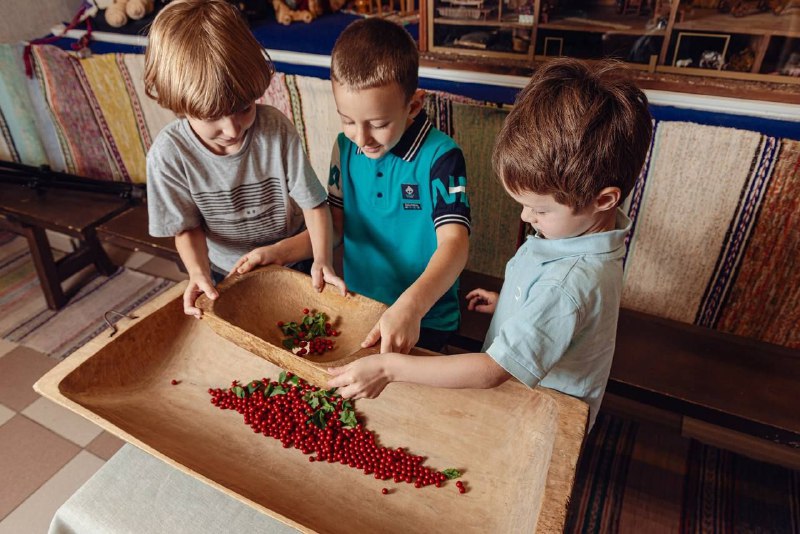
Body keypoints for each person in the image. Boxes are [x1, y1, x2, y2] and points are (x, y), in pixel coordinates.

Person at [328, 58, 653, 430]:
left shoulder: (567, 285)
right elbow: (561, 316)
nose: (526, 218)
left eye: (539, 209)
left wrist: (389, 368)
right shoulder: (579, 241)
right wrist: (514, 306)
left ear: (604, 199)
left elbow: (491, 372)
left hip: (533, 420)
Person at [144, 0, 344, 318]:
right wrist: (198, 273)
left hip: (293, 258)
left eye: (245, 108)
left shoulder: (275, 128)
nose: (232, 129)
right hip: (226, 269)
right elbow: (186, 229)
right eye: (213, 117)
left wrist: (323, 259)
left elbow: (314, 204)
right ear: (179, 105)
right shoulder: (168, 155)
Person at [326, 18, 472, 353]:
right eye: (347, 120)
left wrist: (411, 306)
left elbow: (454, 244)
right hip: (359, 307)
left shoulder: (442, 157)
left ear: (414, 106)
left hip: (425, 318)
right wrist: (278, 252)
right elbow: (334, 227)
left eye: (378, 124)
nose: (361, 139)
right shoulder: (344, 147)